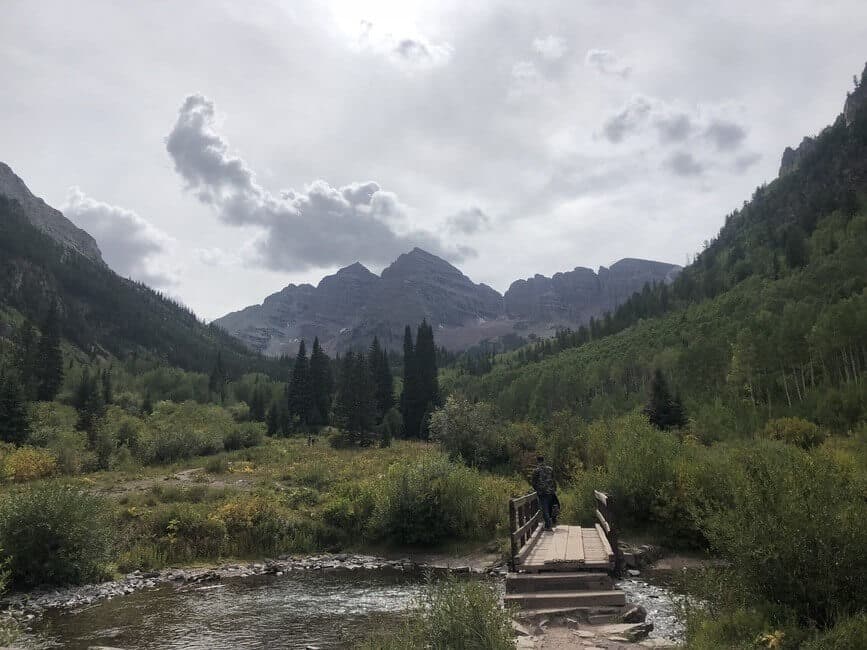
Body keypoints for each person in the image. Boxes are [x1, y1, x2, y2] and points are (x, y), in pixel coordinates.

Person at [531, 454, 557, 531]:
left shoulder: (536, 471)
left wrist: (537, 489)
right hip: (551, 492)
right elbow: (553, 480)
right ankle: (549, 523)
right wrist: (554, 489)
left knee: (544, 508)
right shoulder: (550, 469)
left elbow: (533, 482)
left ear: (537, 461)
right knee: (550, 508)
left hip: (542, 493)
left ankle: (548, 526)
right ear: (543, 460)